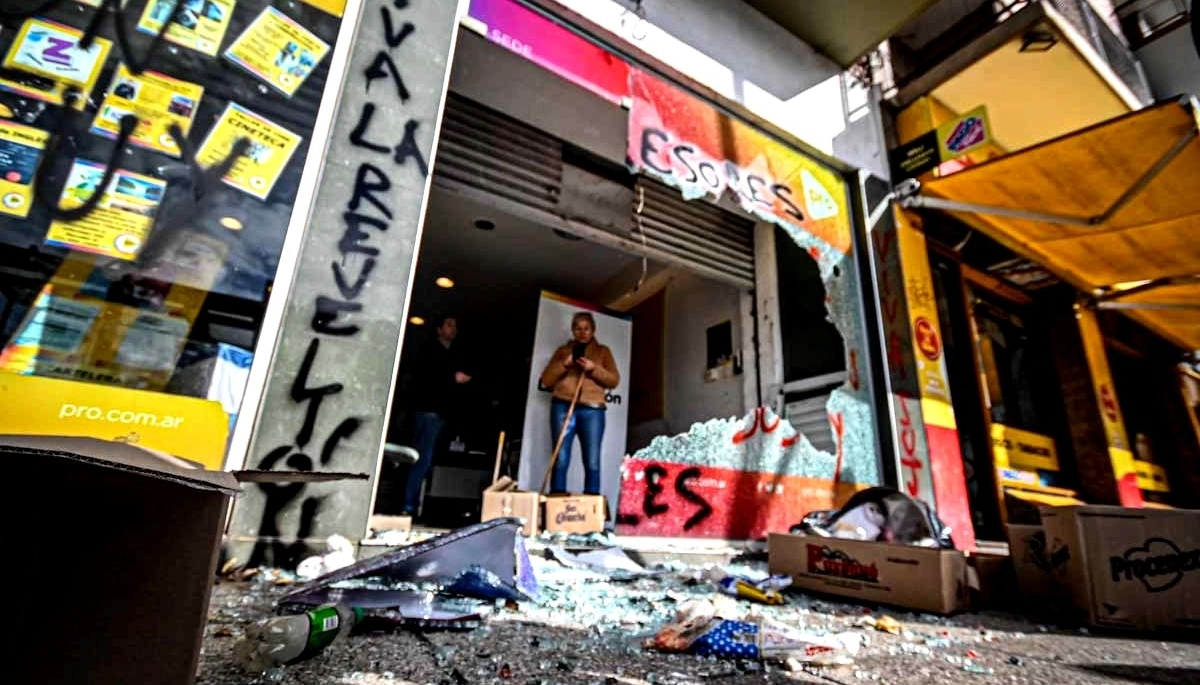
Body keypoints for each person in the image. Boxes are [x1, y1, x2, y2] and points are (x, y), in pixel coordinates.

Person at [538, 311, 619, 495]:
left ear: (593, 330)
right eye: (578, 328)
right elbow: (547, 380)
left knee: (592, 460)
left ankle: (590, 511)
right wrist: (564, 364)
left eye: (586, 328)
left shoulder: (603, 352)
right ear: (573, 331)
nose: (582, 332)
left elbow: (614, 380)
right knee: (560, 459)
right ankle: (556, 510)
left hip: (593, 411)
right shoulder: (562, 351)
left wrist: (594, 369)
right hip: (562, 407)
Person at [403, 315, 471, 515]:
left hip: (440, 413)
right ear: (439, 329)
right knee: (421, 458)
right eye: (449, 325)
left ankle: (413, 503)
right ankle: (408, 505)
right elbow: (427, 377)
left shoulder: (452, 353)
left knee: (426, 458)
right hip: (427, 411)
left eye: (455, 325)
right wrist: (454, 378)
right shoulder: (428, 350)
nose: (454, 329)